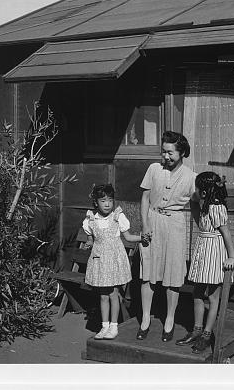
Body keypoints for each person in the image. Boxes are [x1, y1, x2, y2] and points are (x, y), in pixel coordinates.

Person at [138, 131, 196, 342]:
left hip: (175, 225)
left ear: (181, 153)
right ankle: (145, 318)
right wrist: (145, 225)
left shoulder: (191, 177)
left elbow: (198, 206)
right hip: (152, 221)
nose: (165, 156)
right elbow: (144, 198)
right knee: (148, 272)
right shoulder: (154, 169)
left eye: (170, 152)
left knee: (173, 275)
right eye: (163, 152)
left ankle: (169, 319)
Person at [175, 171, 234, 353]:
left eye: (197, 188)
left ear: (204, 191)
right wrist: (197, 196)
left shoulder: (217, 208)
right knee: (197, 292)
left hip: (215, 252)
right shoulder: (203, 205)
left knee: (212, 296)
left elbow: (226, 233)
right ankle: (197, 330)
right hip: (203, 248)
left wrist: (231, 256)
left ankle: (207, 335)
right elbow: (193, 202)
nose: (195, 191)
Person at [82, 184, 149, 340]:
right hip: (99, 261)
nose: (107, 204)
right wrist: (88, 244)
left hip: (114, 260)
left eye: (110, 200)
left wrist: (142, 237)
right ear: (96, 202)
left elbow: (129, 237)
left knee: (114, 293)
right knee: (103, 295)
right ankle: (104, 326)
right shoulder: (90, 219)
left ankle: (114, 326)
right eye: (103, 200)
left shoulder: (118, 217)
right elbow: (90, 239)